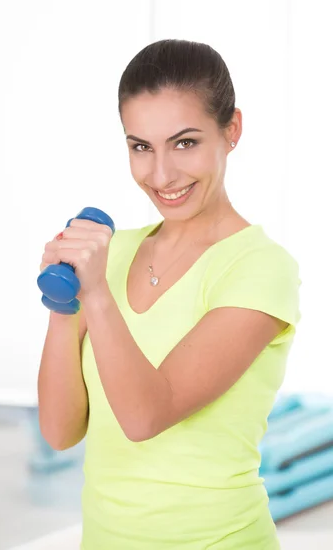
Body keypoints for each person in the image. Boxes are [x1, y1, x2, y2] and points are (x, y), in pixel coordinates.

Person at [37, 40, 301, 549]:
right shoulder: (112, 255)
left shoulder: (261, 268)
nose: (161, 175)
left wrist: (94, 295)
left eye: (184, 143)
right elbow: (59, 430)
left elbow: (145, 416)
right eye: (141, 147)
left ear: (232, 130)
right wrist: (61, 304)